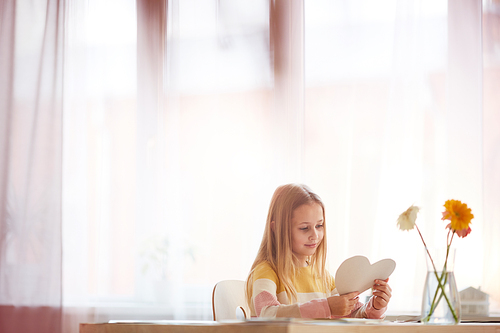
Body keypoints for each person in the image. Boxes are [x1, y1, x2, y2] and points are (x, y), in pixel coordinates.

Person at [245, 183, 392, 319]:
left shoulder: (323, 277)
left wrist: (375, 307)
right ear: (276, 229)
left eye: (319, 226)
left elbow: (351, 313)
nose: (315, 236)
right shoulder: (265, 271)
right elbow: (266, 314)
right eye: (304, 228)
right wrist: (326, 307)